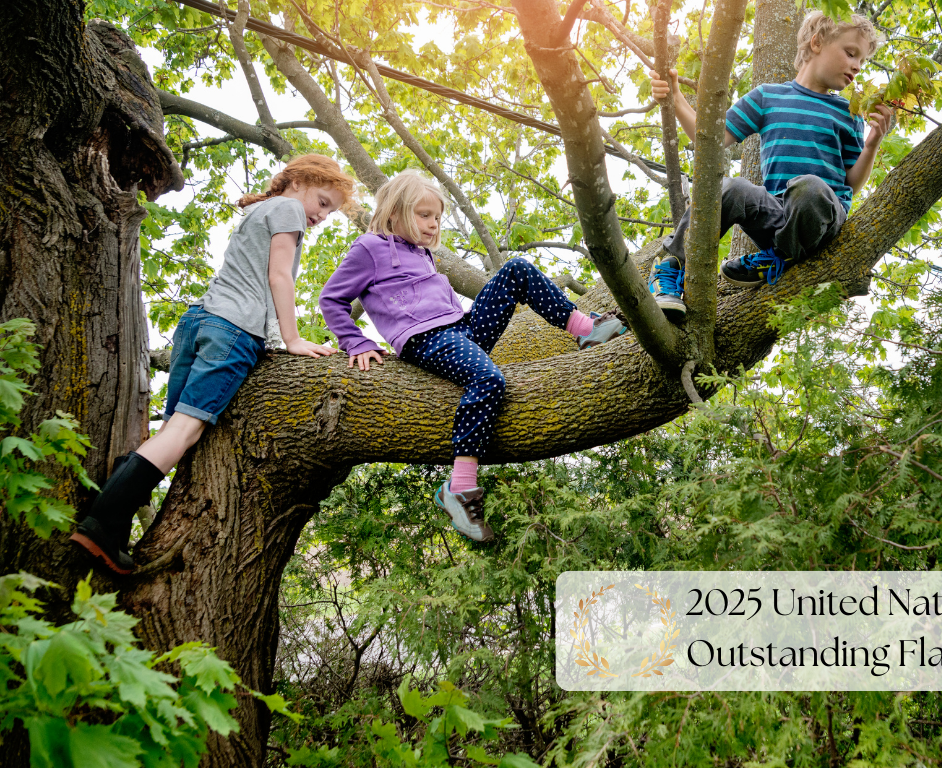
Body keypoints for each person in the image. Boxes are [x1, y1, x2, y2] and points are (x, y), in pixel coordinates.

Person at [70, 154, 356, 575]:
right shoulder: (289, 209)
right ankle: (103, 524)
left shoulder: (259, 210)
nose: (322, 215)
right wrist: (291, 340)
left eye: (330, 211)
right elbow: (279, 276)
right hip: (232, 330)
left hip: (199, 321)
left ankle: (112, 505)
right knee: (185, 431)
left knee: (172, 430)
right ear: (298, 182)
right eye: (323, 202)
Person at [319, 171, 626, 543]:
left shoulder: (422, 253)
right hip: (425, 339)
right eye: (424, 215)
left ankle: (584, 329)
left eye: (437, 217)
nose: (433, 224)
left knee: (516, 269)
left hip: (460, 328)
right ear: (395, 212)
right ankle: (459, 488)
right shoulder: (369, 248)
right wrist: (356, 342)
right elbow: (331, 299)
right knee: (489, 379)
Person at [647, 10, 895, 321]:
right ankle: (670, 267)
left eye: (862, 60)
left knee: (810, 188)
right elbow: (709, 138)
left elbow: (852, 183)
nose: (857, 66)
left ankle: (776, 257)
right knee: (730, 188)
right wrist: (676, 98)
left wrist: (872, 144)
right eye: (851, 53)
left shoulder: (849, 113)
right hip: (777, 218)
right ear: (817, 43)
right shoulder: (767, 97)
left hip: (821, 220)